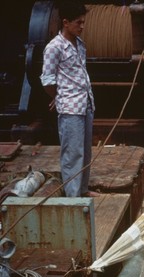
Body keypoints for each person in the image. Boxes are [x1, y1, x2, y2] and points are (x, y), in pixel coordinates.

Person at [40, 1, 99, 198]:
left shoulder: (80, 44)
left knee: (85, 152)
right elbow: (47, 80)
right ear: (65, 23)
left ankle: (83, 189)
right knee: (72, 154)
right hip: (70, 109)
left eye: (83, 22)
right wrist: (59, 96)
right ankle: (73, 199)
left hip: (85, 104)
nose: (82, 26)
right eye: (78, 22)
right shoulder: (54, 48)